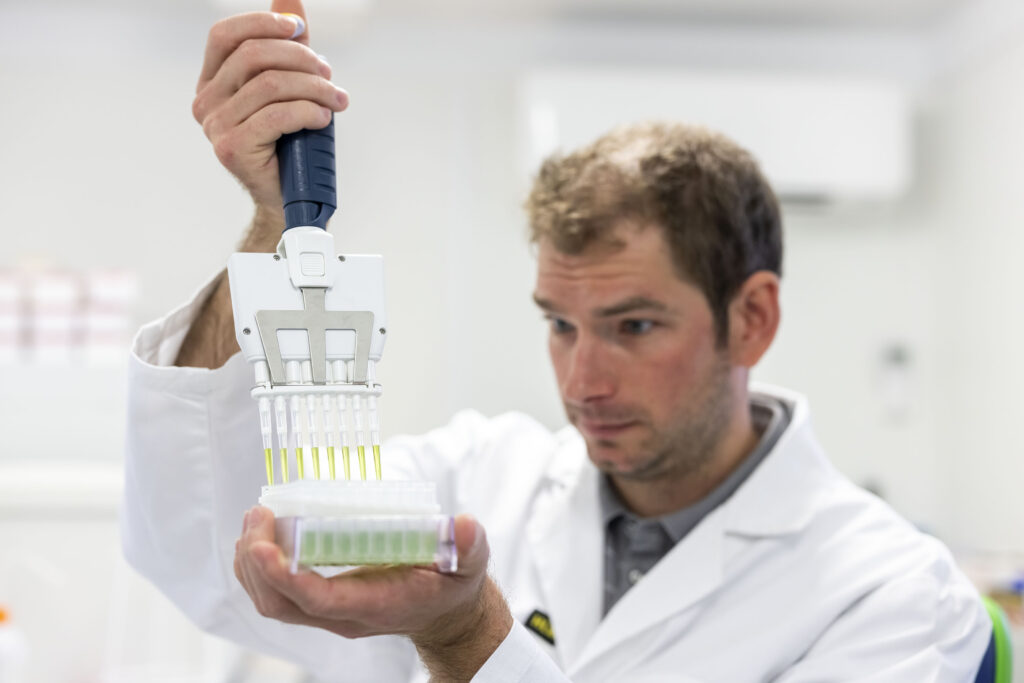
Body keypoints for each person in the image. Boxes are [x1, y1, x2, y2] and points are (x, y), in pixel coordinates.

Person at [121, 2, 992, 681]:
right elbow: (203, 541)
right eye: (559, 323)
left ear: (752, 317)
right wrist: (274, 222)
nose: (583, 381)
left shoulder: (893, 593)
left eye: (634, 326)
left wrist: (466, 633)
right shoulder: (482, 478)